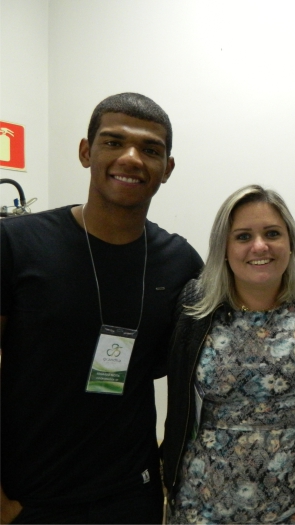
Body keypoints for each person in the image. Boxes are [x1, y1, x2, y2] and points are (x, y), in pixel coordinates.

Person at [0, 93, 203, 524]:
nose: (131, 158)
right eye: (113, 142)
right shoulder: (17, 244)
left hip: (131, 496)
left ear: (166, 169)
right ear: (85, 152)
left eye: (151, 149)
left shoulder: (180, 261)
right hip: (29, 499)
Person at [161, 185, 295, 524]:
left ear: (291, 242)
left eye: (272, 233)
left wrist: (292, 411)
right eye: (243, 236)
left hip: (294, 504)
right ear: (224, 247)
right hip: (204, 503)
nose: (260, 246)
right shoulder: (196, 305)